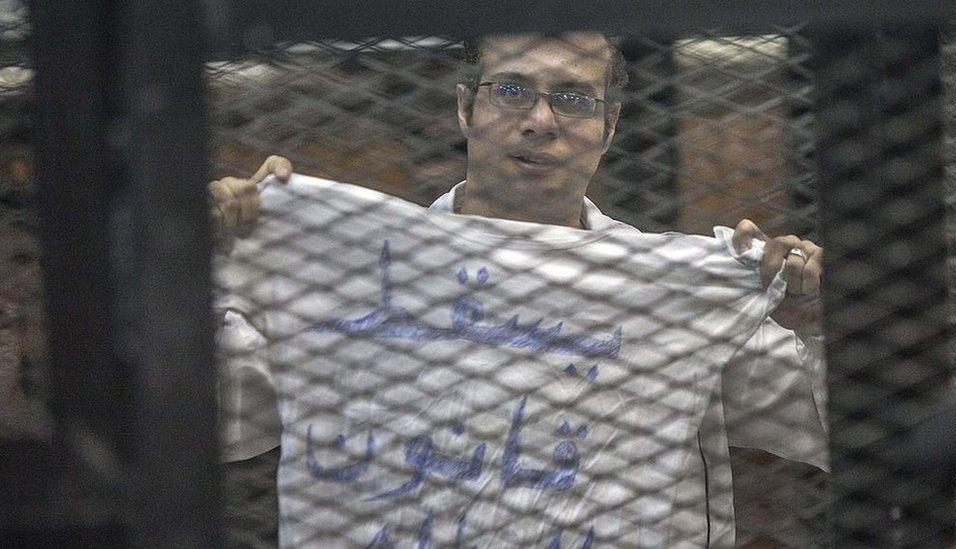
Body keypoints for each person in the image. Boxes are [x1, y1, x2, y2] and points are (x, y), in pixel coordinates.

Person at [213, 31, 826, 547]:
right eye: (510, 91)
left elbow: (828, 431)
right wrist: (203, 271)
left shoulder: (669, 298)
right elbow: (223, 426)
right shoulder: (347, 281)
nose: (539, 122)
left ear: (609, 126)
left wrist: (820, 318)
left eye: (573, 99)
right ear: (464, 108)